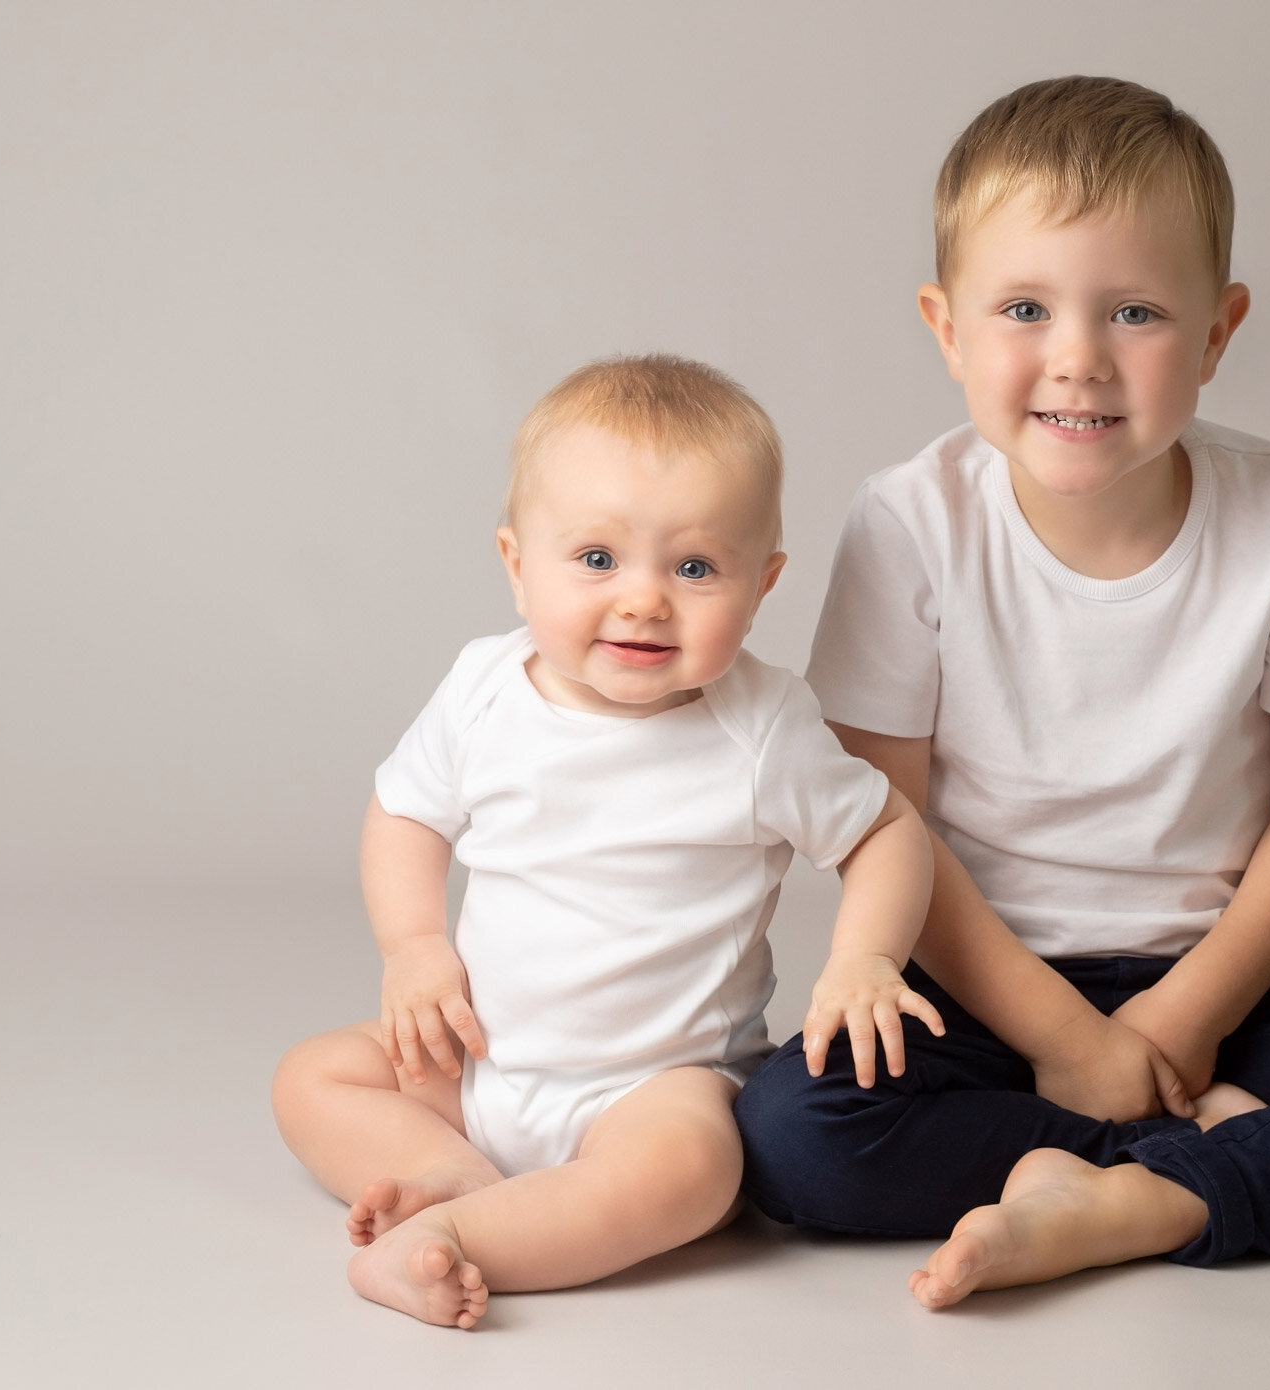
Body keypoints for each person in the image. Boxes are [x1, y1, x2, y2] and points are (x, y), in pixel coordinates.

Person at [733, 75, 1270, 1306]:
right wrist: (1065, 1040)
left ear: (1218, 331)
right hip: (975, 985)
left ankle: (1126, 1196)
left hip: (1228, 981)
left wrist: (1181, 1019)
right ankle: (1239, 1165)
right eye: (1023, 307)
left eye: (1134, 311)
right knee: (788, 1132)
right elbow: (880, 819)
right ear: (946, 326)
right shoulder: (910, 521)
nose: (1077, 359)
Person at [271, 355, 938, 1329]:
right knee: (312, 1077)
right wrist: (414, 945)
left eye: (696, 567)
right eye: (595, 559)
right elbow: (404, 813)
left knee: (697, 1169)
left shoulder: (759, 726)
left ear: (762, 585)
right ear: (514, 564)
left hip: (652, 1083)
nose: (642, 599)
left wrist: (864, 958)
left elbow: (885, 830)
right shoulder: (484, 690)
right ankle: (447, 1174)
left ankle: (457, 1239)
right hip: (478, 1062)